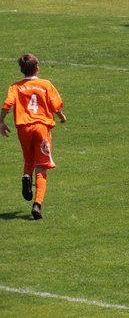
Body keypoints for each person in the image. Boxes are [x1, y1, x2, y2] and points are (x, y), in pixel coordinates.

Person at [0, 54, 67, 220]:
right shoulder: (45, 84)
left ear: (21, 70)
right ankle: (37, 204)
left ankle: (26, 176)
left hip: (23, 128)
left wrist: (1, 120)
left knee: (28, 159)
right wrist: (60, 116)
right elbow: (55, 104)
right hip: (41, 127)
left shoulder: (15, 87)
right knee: (42, 166)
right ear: (37, 68)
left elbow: (8, 104)